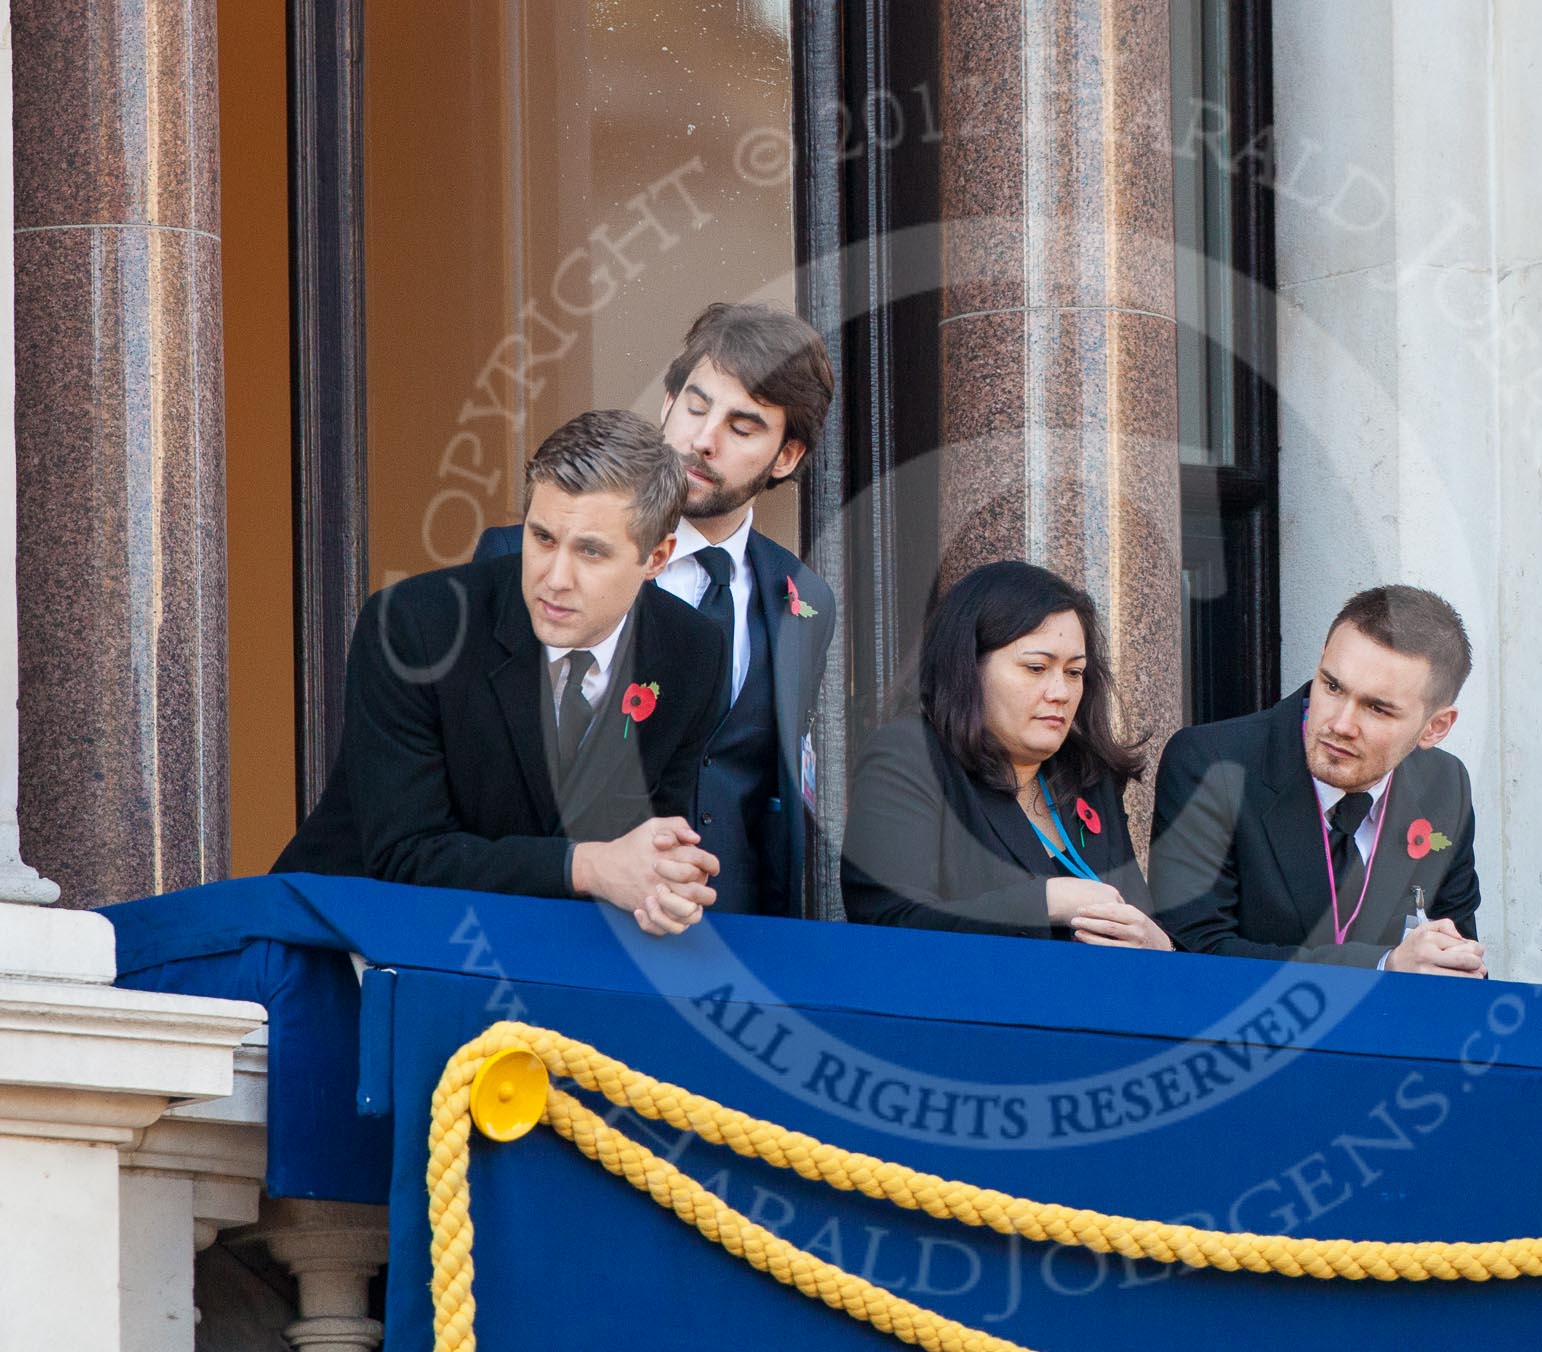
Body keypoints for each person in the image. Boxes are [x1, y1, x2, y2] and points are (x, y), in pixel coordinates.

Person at [276, 410, 728, 937]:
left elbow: (648, 835)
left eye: (591, 551)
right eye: (542, 538)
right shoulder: (414, 626)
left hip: (547, 958)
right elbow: (405, 856)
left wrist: (664, 881)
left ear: (657, 558)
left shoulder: (693, 652)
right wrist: (589, 866)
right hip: (346, 950)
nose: (555, 578)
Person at [476, 303, 835, 919]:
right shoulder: (520, 560)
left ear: (787, 457)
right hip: (561, 917)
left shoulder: (805, 600)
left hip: (732, 939)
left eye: (743, 428)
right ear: (667, 402)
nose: (704, 439)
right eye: (696, 406)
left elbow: (770, 788)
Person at [1149, 585, 1487, 974]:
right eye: (1332, 686)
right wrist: (1382, 967)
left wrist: (1454, 967)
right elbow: (1194, 952)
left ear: (1435, 727)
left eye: (1377, 709)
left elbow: (1459, 954)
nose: (1340, 725)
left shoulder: (1445, 785)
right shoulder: (1210, 764)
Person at [842, 561, 1170, 948]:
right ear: (968, 666)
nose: (1060, 692)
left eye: (1074, 672)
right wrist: (1046, 901)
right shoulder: (910, 756)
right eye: (1036, 667)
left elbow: (1138, 917)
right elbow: (888, 921)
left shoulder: (1086, 774)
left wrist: (1157, 943)